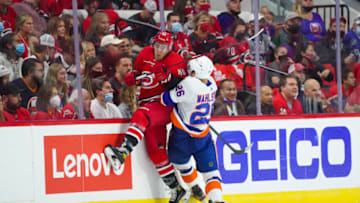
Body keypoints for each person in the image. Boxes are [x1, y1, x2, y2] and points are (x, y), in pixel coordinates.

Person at [104, 31, 188, 203]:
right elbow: (136, 78)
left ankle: (123, 152)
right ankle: (177, 189)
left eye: (163, 47)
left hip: (164, 105)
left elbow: (182, 88)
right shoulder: (144, 53)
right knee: (156, 153)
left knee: (141, 114)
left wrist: (169, 79)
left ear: (170, 47)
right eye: (157, 46)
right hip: (146, 103)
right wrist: (132, 78)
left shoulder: (175, 61)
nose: (159, 50)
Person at [161, 56, 225, 203]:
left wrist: (169, 81)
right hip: (203, 136)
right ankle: (217, 200)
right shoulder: (212, 84)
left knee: (181, 164)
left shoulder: (189, 84)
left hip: (182, 137)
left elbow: (165, 99)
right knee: (211, 174)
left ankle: (193, 186)